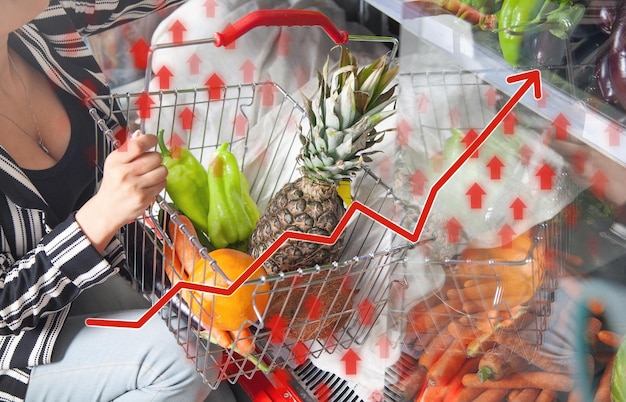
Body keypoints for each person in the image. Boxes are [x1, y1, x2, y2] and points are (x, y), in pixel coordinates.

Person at [0, 1, 236, 401]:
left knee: (213, 366)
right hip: (18, 342)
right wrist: (99, 216)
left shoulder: (44, 25)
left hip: (82, 281)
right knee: (180, 359)